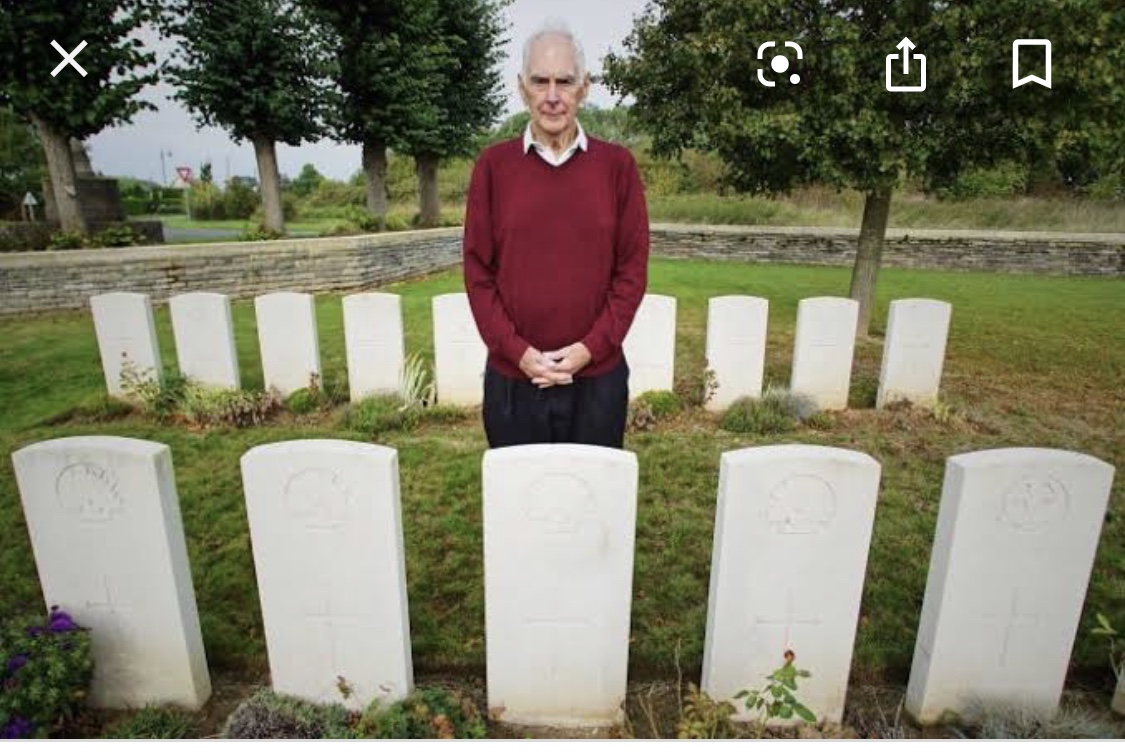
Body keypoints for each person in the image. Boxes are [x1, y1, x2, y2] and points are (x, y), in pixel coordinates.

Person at [463, 20, 649, 449]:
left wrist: (589, 348)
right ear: (521, 87)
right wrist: (518, 353)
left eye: (564, 82)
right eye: (539, 81)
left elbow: (631, 273)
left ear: (584, 87)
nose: (551, 96)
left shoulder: (617, 167)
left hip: (597, 383)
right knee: (522, 510)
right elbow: (477, 273)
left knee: (593, 508)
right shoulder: (493, 167)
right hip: (513, 383)